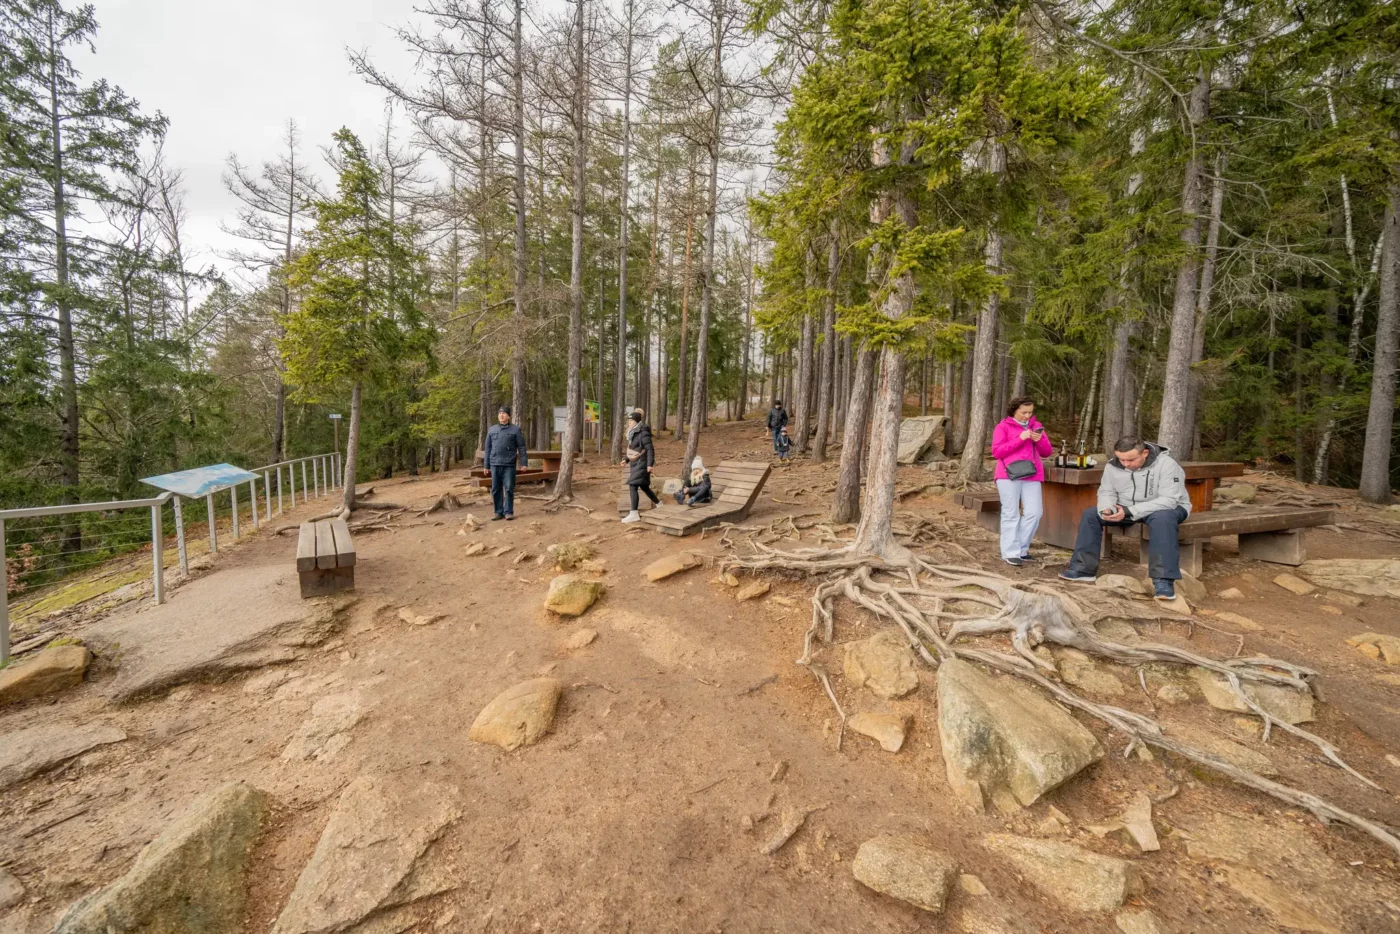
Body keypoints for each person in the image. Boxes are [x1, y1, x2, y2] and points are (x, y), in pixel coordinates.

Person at [1059, 436, 1192, 600]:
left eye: (1130, 460)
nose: (1125, 464)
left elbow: (1169, 500)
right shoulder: (1112, 465)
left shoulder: (1166, 464)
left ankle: (1163, 581)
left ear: (1145, 453)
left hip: (1166, 508)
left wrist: (1130, 511)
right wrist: (1107, 508)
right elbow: (1107, 491)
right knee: (1091, 515)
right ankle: (1083, 570)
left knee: (1162, 519)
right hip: (1126, 508)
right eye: (1121, 459)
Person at [991, 396, 1053, 567]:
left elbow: (1047, 452)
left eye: (1030, 412)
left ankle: (1021, 549)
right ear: (1014, 411)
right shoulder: (1002, 427)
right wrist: (1020, 438)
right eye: (1023, 412)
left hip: (1032, 474)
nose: (1027, 416)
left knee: (1035, 512)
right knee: (1011, 513)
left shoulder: (1036, 426)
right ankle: (1010, 552)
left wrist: (1039, 440)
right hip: (1008, 475)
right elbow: (997, 452)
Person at [483, 405, 528, 520]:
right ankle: (498, 512)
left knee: (509, 488)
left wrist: (524, 463)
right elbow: (488, 448)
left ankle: (508, 512)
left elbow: (521, 447)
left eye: (504, 413)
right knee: (495, 489)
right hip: (495, 464)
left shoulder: (515, 430)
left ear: (508, 416)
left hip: (509, 464)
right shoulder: (492, 429)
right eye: (500, 413)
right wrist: (486, 465)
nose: (501, 415)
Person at [620, 409, 659, 523]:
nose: (629, 423)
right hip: (636, 463)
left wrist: (650, 464)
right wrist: (626, 460)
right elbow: (635, 450)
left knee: (632, 485)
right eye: (628, 421)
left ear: (637, 422)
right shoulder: (633, 434)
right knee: (644, 486)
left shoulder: (643, 433)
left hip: (642, 463)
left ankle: (634, 513)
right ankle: (659, 504)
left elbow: (650, 449)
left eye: (631, 421)